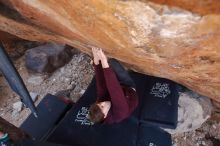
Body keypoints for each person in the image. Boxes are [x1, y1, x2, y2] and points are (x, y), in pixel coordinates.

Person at [88, 47, 138, 124]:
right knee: (112, 62)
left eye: (99, 104)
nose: (103, 103)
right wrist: (104, 62)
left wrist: (96, 61)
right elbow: (114, 90)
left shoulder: (101, 104)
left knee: (109, 64)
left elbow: (100, 84)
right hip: (129, 89)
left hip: (120, 87)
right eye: (102, 107)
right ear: (105, 115)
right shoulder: (120, 113)